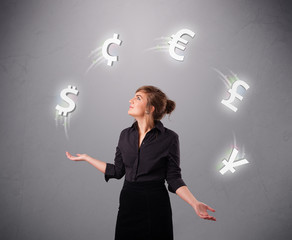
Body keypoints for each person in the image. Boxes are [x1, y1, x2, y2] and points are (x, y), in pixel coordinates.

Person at [66, 85, 216, 240]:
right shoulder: (125, 135)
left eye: (138, 98)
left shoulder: (170, 138)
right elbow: (118, 171)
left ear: (150, 108)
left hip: (155, 204)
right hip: (128, 203)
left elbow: (173, 178)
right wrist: (87, 158)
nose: (131, 100)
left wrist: (194, 203)